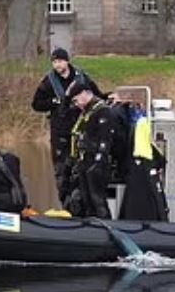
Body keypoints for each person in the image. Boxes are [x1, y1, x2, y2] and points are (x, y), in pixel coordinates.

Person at [31, 48, 103, 203]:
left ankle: (82, 204)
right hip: (60, 132)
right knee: (62, 172)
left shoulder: (82, 77)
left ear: (67, 61)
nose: (57, 65)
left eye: (60, 61)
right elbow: (36, 104)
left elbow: (97, 95)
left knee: (82, 170)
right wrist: (54, 102)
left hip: (81, 129)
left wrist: (108, 97)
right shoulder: (48, 82)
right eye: (54, 62)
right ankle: (64, 204)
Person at [63, 81, 116, 219]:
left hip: (96, 161)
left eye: (76, 100)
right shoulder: (86, 112)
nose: (76, 104)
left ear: (85, 94)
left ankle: (105, 224)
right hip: (84, 160)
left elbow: (106, 140)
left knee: (97, 199)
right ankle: (90, 224)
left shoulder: (102, 111)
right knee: (86, 200)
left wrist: (99, 161)